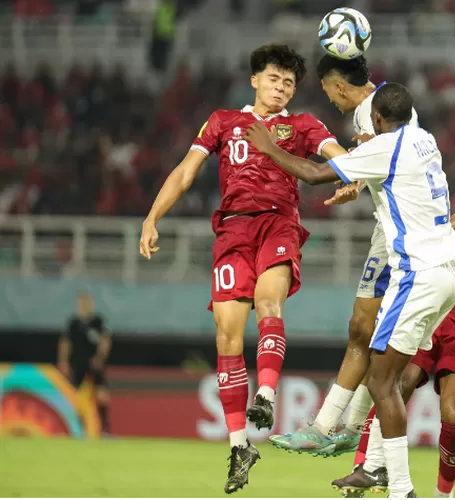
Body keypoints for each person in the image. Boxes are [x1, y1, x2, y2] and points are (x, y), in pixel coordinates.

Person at [138, 44, 348, 494]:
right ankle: (239, 447)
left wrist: (349, 180)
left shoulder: (302, 125)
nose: (281, 87)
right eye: (274, 79)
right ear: (255, 80)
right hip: (232, 231)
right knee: (227, 335)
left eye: (289, 83)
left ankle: (266, 396)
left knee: (269, 303)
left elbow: (340, 157)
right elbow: (185, 172)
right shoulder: (222, 122)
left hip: (279, 222)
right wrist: (153, 217)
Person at [245, 82, 455, 498]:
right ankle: (373, 462)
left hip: (418, 273)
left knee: (382, 382)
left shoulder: (385, 147)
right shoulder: (424, 139)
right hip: (449, 273)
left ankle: (398, 486)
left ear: (378, 119)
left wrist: (269, 147)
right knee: (392, 379)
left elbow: (313, 174)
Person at [330, 139, 455, 498]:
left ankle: (443, 494)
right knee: (395, 379)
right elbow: (447, 226)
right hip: (440, 303)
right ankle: (368, 466)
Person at [269, 55, 419, 458]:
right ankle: (343, 429)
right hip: (390, 230)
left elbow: (322, 172)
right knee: (365, 332)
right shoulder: (386, 107)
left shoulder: (375, 113)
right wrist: (356, 181)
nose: (330, 100)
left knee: (371, 339)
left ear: (336, 86)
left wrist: (267, 147)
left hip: (401, 239)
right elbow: (374, 167)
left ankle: (344, 433)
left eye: (326, 90)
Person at [58, 290, 113, 436]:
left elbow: (105, 341)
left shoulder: (98, 321)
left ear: (91, 304)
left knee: (102, 395)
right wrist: (63, 362)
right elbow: (65, 343)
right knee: (76, 397)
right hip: (78, 364)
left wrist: (100, 358)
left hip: (94, 364)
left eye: (86, 303)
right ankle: (77, 430)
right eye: (81, 303)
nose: (84, 306)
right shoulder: (73, 323)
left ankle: (105, 430)